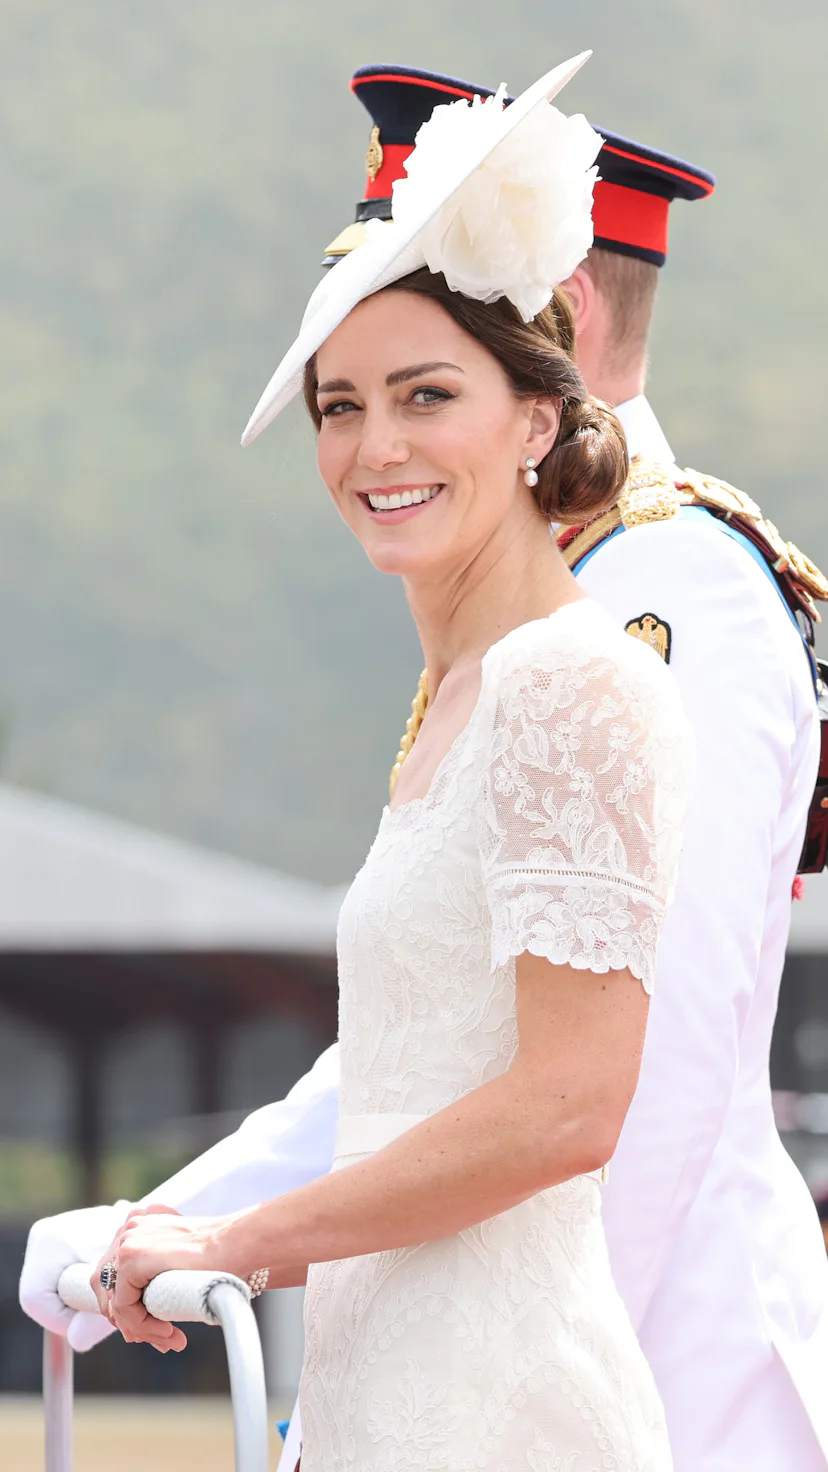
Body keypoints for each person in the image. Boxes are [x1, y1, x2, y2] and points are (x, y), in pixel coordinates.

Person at [20, 59, 828, 1472]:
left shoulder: (655, 601)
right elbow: (429, 1048)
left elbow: (624, 1091)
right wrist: (177, 1233)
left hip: (636, 1365)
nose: (373, 442)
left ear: (548, 349)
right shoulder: (500, 625)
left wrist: (466, 1374)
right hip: (419, 1358)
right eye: (340, 401)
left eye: (422, 383)